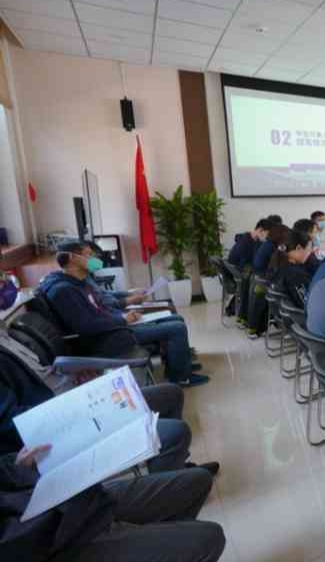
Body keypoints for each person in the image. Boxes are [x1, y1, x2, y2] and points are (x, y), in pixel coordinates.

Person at [0, 329, 218, 476]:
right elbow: (12, 424)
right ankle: (167, 489)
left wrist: (73, 379)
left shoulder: (7, 336)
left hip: (70, 398)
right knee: (175, 432)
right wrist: (71, 404)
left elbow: (43, 376)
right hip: (62, 427)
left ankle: (175, 467)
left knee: (171, 394)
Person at [0, 448, 225, 562]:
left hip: (58, 500)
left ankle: (159, 541)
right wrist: (71, 493)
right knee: (209, 538)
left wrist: (19, 467)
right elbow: (17, 543)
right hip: (55, 543)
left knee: (198, 481)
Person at [40, 241, 208, 387]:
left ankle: (179, 366)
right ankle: (180, 378)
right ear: (72, 258)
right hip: (107, 338)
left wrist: (122, 316)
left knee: (175, 320)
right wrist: (122, 319)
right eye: (88, 255)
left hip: (115, 328)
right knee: (176, 328)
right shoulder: (63, 291)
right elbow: (86, 326)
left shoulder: (79, 283)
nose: (94, 259)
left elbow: (100, 308)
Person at [269, 230, 313, 308]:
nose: (310, 253)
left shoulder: (280, 265)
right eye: (309, 249)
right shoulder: (296, 275)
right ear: (298, 248)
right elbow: (307, 304)